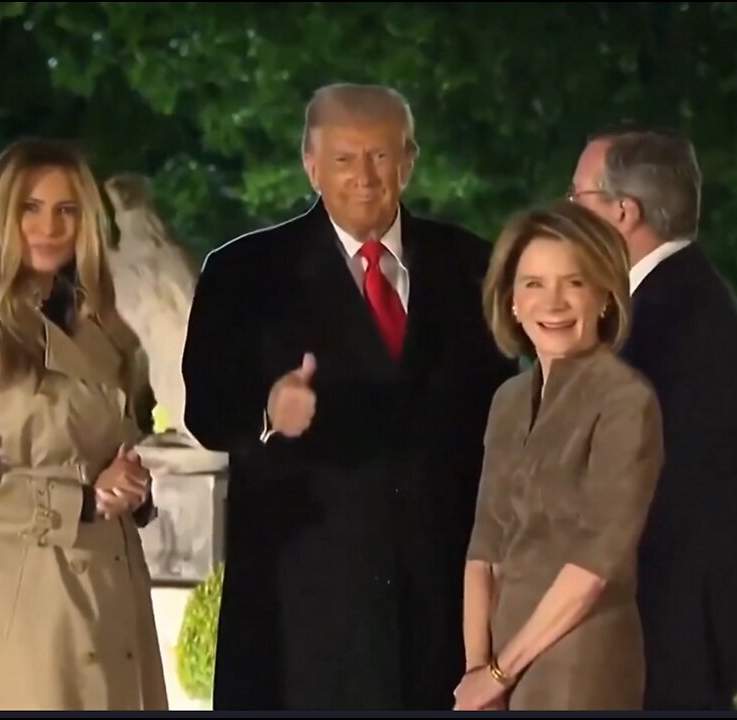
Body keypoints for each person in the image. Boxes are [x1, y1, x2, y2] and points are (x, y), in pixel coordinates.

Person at [180, 83, 516, 710]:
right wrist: (267, 413)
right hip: (303, 604)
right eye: (342, 159)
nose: (364, 176)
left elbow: (504, 421)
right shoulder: (244, 272)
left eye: (380, 156)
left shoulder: (473, 265)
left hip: (441, 600)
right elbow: (206, 408)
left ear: (408, 161)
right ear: (311, 165)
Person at [0, 137, 170, 710]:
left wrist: (130, 484)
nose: (50, 227)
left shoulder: (96, 319)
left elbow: (108, 443)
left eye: (66, 209)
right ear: (1, 214)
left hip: (110, 587)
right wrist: (82, 502)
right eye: (31, 208)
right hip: (20, 601)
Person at [568, 123, 737, 710]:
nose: (567, 212)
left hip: (662, 631)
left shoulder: (667, 322)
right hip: (670, 625)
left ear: (623, 211)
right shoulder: (680, 303)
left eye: (577, 195)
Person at [454, 201, 664, 711]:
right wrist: (478, 672)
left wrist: (499, 673)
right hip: (502, 667)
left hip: (582, 666)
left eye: (574, 282)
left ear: (605, 296)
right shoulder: (508, 401)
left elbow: (595, 565)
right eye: (534, 284)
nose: (553, 302)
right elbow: (484, 549)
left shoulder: (625, 400)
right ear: (511, 301)